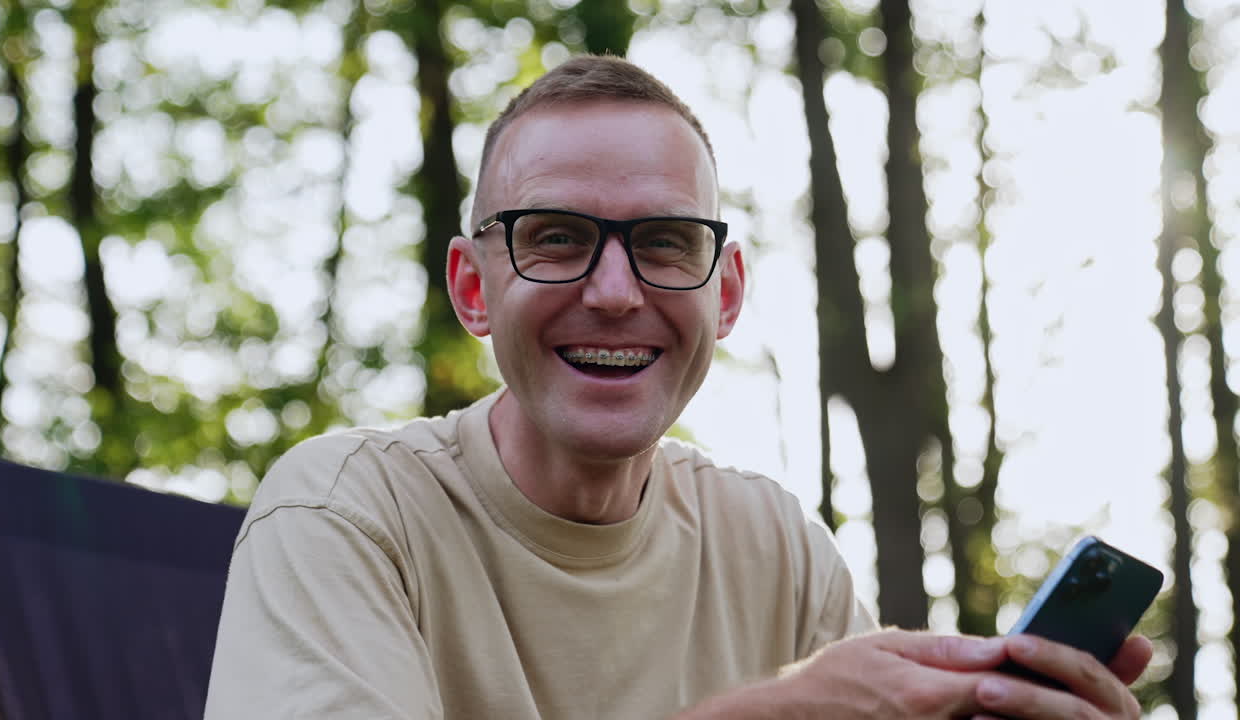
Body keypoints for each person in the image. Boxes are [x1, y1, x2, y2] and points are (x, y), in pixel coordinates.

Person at [203, 54, 1152, 719]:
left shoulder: (776, 545)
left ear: (726, 292)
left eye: (664, 242)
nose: (614, 294)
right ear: (471, 288)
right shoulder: (346, 514)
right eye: (555, 237)